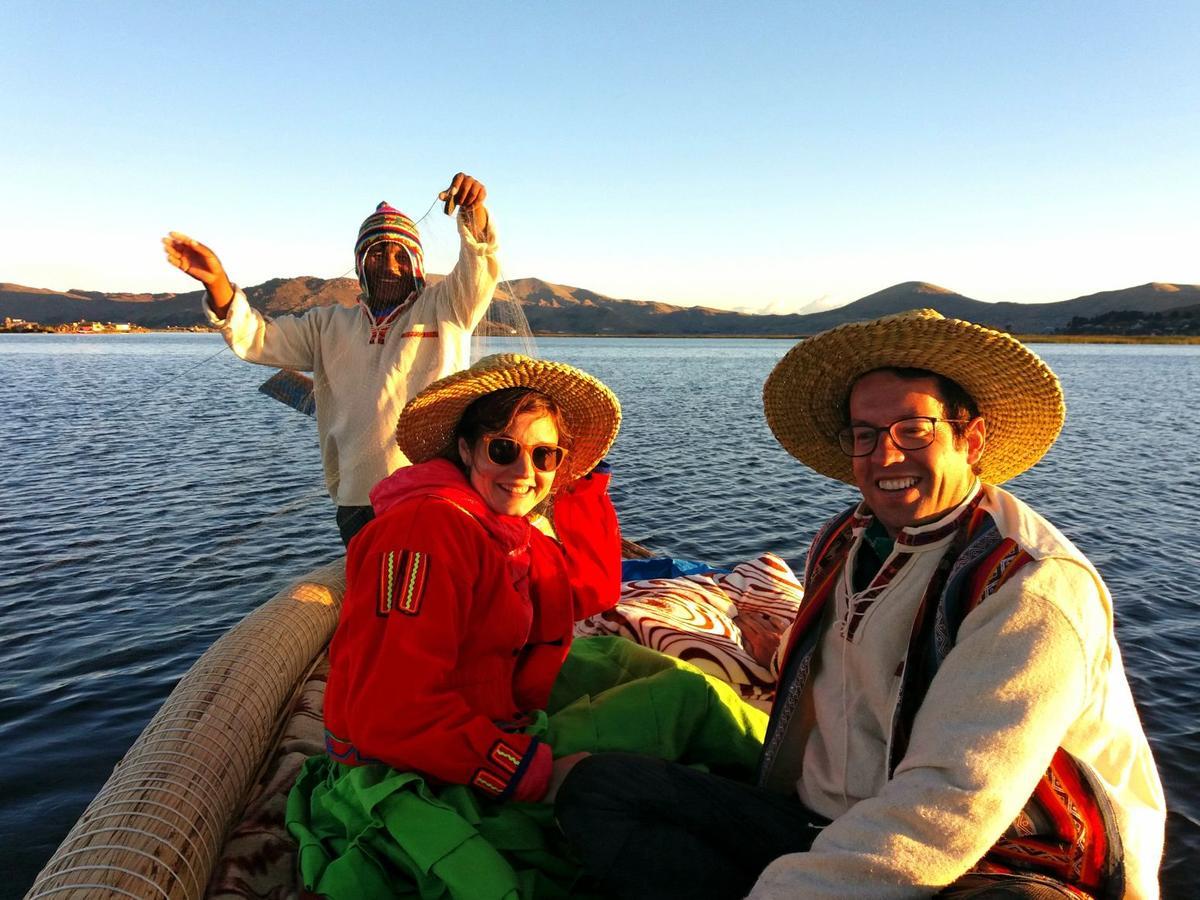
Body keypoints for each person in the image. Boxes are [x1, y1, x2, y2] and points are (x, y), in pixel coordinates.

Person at [555, 309, 1166, 899]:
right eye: (866, 435)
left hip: (997, 858)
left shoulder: (1027, 585)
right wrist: (790, 649)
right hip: (832, 823)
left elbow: (953, 803)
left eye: (914, 430)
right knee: (599, 789)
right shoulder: (848, 539)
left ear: (970, 438)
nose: (886, 456)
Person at [285, 353, 767, 899]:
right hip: (424, 757)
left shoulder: (505, 529)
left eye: (545, 456)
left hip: (493, 691)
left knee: (628, 661)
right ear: (465, 449)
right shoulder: (429, 529)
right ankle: (801, 793)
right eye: (504, 449)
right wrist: (530, 772)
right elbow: (390, 714)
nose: (524, 472)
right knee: (689, 694)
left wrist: (580, 487)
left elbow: (589, 594)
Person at [162, 172, 499, 545]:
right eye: (376, 255)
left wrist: (473, 212)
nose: (389, 265)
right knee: (370, 594)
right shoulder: (327, 325)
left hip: (433, 493)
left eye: (400, 255)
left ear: (416, 262)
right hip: (358, 502)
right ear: (360, 264)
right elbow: (258, 339)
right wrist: (217, 283)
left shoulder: (445, 308)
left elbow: (478, 270)